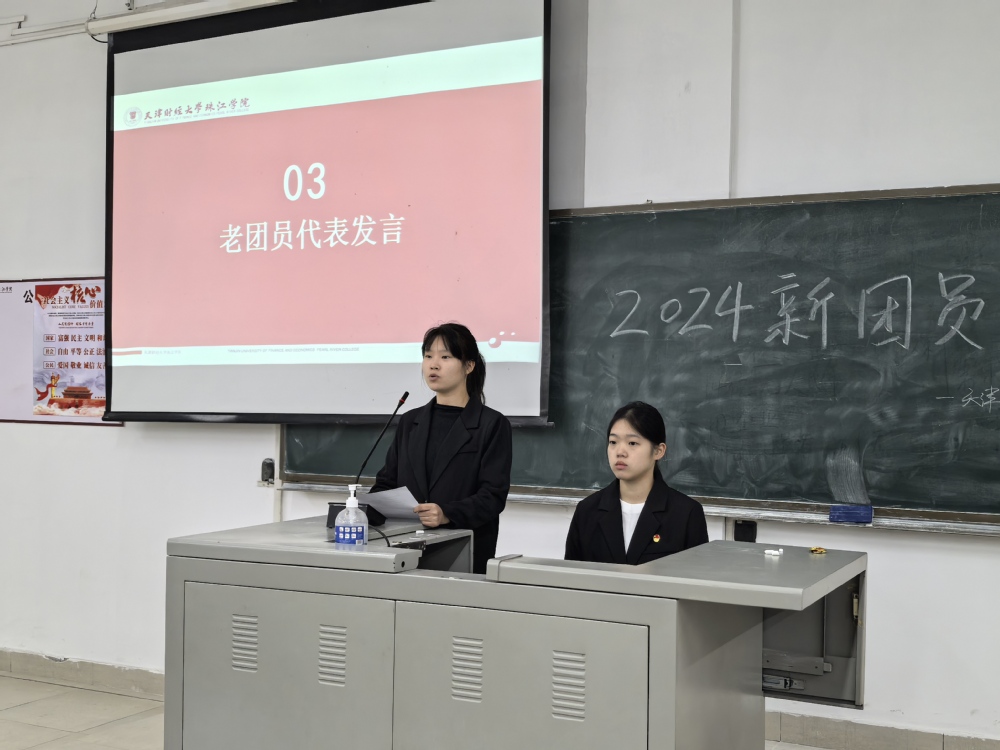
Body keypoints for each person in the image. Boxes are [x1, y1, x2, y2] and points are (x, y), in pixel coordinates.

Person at [370, 322, 513, 574]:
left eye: (445, 357)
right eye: (428, 356)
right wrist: (360, 510)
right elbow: (387, 483)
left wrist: (447, 513)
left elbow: (492, 496)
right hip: (403, 549)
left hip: (462, 551)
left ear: (469, 366)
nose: (433, 365)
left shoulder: (491, 424)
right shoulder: (410, 421)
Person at [565, 401, 708, 565]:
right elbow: (571, 577)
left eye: (632, 443)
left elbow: (695, 578)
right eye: (613, 442)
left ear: (658, 451)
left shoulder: (686, 514)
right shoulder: (587, 511)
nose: (620, 452)